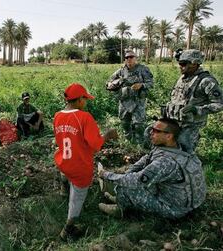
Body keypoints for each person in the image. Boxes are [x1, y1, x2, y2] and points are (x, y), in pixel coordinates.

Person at [98, 118, 206, 219]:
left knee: (126, 186)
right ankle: (120, 198)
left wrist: (106, 174)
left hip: (174, 209)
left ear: (169, 136)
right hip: (183, 200)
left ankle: (120, 209)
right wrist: (129, 171)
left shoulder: (165, 162)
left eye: (156, 131)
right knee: (128, 177)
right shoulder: (178, 148)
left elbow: (135, 181)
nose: (151, 133)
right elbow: (147, 158)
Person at [53, 83, 118, 241]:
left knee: (65, 168)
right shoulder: (84, 117)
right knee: (77, 197)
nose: (86, 102)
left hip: (64, 162)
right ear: (80, 100)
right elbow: (96, 145)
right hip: (80, 166)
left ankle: (64, 186)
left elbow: (60, 140)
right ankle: (69, 228)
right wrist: (108, 135)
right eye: (85, 98)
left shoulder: (57, 116)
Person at [161, 49, 223, 153]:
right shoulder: (183, 78)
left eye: (183, 63)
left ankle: (190, 167)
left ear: (195, 64)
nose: (180, 66)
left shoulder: (206, 81)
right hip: (174, 121)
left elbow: (220, 104)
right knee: (152, 135)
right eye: (179, 63)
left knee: (184, 149)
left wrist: (196, 109)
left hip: (191, 124)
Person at [106, 50, 154, 143]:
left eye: (131, 57)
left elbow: (151, 83)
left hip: (138, 101)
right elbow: (109, 81)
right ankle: (129, 141)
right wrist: (111, 85)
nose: (129, 59)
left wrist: (141, 85)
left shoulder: (143, 69)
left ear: (136, 58)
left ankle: (140, 142)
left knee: (139, 125)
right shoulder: (121, 71)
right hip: (124, 101)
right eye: (127, 57)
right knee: (125, 123)